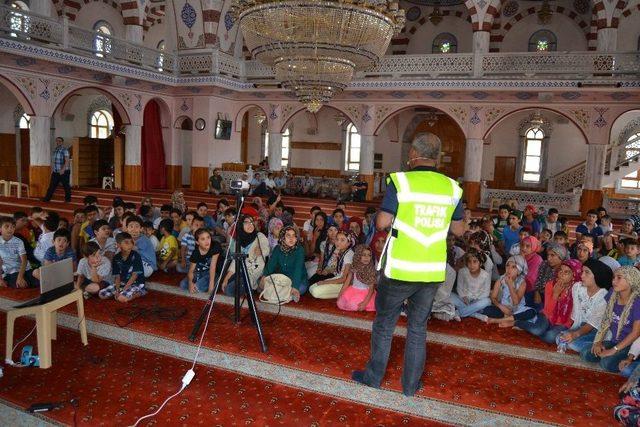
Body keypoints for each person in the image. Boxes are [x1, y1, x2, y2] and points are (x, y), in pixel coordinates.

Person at [351, 132, 464, 397]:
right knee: (417, 328)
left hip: (400, 268)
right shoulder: (452, 187)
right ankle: (411, 386)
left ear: (413, 154)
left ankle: (373, 377)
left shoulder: (401, 181)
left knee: (385, 324)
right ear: (437, 158)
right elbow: (459, 229)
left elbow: (381, 223)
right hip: (431, 269)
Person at [582, 266, 640, 372]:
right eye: (614, 277)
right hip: (614, 340)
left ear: (631, 280)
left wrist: (613, 350)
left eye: (619, 278)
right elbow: (606, 319)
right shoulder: (613, 293)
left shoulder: (637, 302)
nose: (614, 281)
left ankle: (633, 360)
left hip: (631, 345)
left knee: (606, 363)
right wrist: (598, 342)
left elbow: (636, 333)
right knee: (586, 353)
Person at [517, 259, 582, 343]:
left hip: (564, 322)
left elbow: (573, 316)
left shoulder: (577, 290)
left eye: (566, 272)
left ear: (574, 275)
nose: (561, 274)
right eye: (560, 270)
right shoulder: (550, 284)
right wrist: (555, 294)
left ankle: (538, 325)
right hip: (547, 315)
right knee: (537, 330)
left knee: (549, 337)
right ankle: (517, 322)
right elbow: (548, 310)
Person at [556, 258, 611, 354]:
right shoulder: (577, 287)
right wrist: (571, 332)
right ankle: (590, 347)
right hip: (581, 326)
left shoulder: (603, 297)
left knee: (572, 344)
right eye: (582, 271)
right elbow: (577, 313)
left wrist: (574, 335)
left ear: (597, 275)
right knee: (559, 337)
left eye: (587, 272)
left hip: (596, 330)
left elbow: (591, 325)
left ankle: (602, 345)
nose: (582, 275)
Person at [479, 255, 536, 327]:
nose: (509, 269)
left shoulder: (522, 283)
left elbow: (516, 302)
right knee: (487, 310)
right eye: (507, 265)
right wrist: (501, 307)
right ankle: (512, 320)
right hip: (503, 309)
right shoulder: (500, 280)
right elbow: (493, 297)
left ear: (519, 270)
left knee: (531, 312)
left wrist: (510, 285)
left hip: (518, 309)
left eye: (513, 267)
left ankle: (500, 320)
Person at [221, 215, 270, 296]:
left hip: (252, 272)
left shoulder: (259, 236)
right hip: (240, 271)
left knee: (229, 290)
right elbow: (235, 262)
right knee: (225, 282)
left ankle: (253, 284)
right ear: (241, 226)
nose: (250, 225)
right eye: (246, 223)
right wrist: (226, 278)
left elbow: (266, 249)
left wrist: (261, 251)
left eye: (251, 222)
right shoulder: (239, 241)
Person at [260, 226, 308, 301]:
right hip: (281, 279)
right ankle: (284, 294)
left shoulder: (299, 250)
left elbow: (298, 269)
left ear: (296, 238)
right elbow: (271, 264)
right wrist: (264, 277)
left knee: (301, 288)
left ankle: (281, 293)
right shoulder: (277, 249)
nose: (291, 238)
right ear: (282, 238)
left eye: (294, 236)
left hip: (297, 279)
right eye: (288, 235)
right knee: (261, 283)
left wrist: (295, 287)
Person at [99, 232, 146, 302]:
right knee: (102, 294)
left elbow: (134, 275)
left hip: (136, 283)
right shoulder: (116, 257)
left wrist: (124, 289)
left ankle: (140, 292)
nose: (130, 245)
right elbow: (117, 276)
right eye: (126, 243)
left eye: (131, 242)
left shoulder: (136, 255)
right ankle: (122, 293)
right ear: (118, 245)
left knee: (121, 298)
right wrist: (118, 290)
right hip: (122, 283)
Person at [308, 230, 354, 299]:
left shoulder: (349, 254)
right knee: (311, 288)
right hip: (337, 278)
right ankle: (341, 293)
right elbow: (336, 270)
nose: (338, 242)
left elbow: (344, 278)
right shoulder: (340, 251)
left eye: (342, 240)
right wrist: (327, 272)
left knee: (315, 291)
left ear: (348, 243)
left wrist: (325, 282)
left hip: (344, 283)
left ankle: (344, 292)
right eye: (337, 239)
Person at [450, 249, 492, 320]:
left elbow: (486, 292)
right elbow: (459, 288)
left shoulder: (486, 275)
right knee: (449, 295)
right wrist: (463, 296)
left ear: (480, 263)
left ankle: (460, 312)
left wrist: (476, 300)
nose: (472, 265)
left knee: (487, 301)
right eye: (469, 262)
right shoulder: (462, 271)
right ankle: (475, 314)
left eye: (475, 262)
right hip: (464, 299)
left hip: (478, 300)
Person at [180, 228, 221, 294]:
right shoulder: (195, 252)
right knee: (183, 285)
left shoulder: (215, 246)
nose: (207, 241)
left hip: (214, 272)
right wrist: (190, 283)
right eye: (203, 239)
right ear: (197, 242)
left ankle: (215, 283)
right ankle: (201, 283)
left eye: (208, 237)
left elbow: (213, 268)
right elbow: (191, 270)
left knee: (198, 288)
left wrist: (211, 288)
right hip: (200, 272)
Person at [337, 244, 377, 312]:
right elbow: (346, 283)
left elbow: (371, 290)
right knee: (340, 303)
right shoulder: (354, 268)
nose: (367, 257)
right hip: (353, 291)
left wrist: (364, 303)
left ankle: (364, 305)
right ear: (358, 256)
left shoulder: (371, 270)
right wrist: (340, 295)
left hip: (366, 294)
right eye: (364, 255)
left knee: (354, 305)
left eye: (369, 255)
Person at [0, 216, 37, 288]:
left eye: (13, 227)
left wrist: (20, 277)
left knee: (39, 281)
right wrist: (0, 279)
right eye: (7, 226)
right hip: (11, 272)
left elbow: (24, 260)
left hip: (25, 269)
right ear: (0, 229)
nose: (10, 229)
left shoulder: (19, 241)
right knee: (22, 285)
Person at [42, 137, 71, 202]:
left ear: (62, 142)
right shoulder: (55, 150)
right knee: (52, 186)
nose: (58, 142)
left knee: (66, 186)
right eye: (57, 141)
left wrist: (63, 170)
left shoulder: (65, 150)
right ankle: (47, 199)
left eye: (60, 141)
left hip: (64, 171)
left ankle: (68, 200)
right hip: (55, 172)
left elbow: (67, 161)